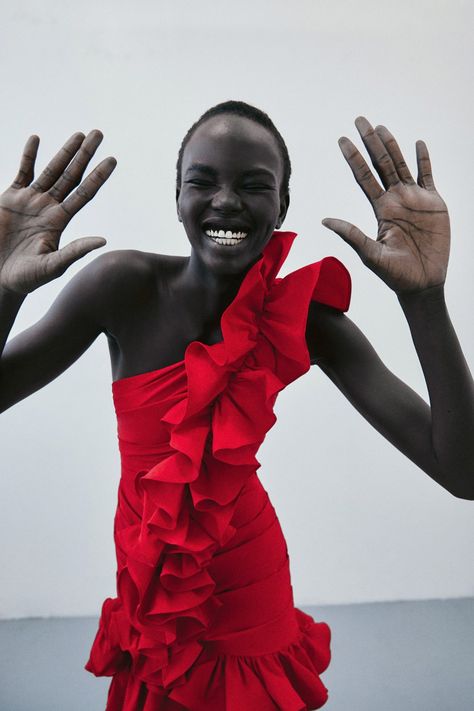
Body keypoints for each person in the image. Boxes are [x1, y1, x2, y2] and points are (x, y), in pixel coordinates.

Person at [0, 101, 472, 711]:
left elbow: (462, 472)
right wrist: (4, 289)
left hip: (249, 596)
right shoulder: (120, 287)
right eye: (203, 182)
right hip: (149, 587)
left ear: (282, 206)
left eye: (254, 185)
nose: (226, 200)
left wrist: (426, 298)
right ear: (177, 198)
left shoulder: (306, 319)